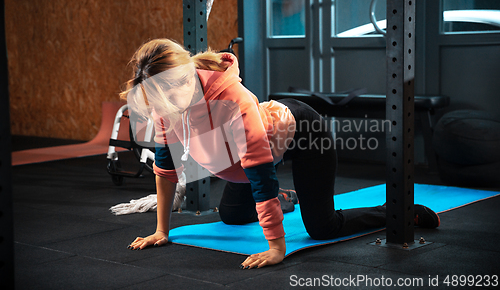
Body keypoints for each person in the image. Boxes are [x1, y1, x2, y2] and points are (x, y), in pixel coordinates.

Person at [121, 38, 440, 269]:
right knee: (232, 216)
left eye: (173, 96)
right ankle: (288, 197)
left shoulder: (233, 100)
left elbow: (259, 174)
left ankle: (400, 211)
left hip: (303, 133)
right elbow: (165, 170)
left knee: (322, 227)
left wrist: (276, 247)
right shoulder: (164, 102)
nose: (170, 107)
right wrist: (161, 230)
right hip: (245, 156)